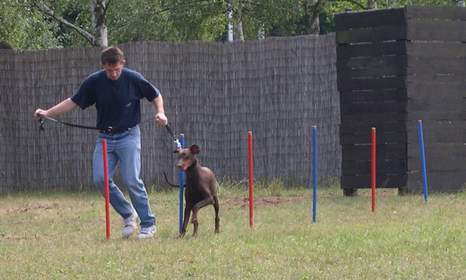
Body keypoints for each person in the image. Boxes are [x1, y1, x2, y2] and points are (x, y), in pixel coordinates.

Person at [34, 46, 168, 239]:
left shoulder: (133, 79)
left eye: (116, 69)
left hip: (129, 136)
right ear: (103, 66)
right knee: (100, 179)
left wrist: (160, 112)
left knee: (131, 179)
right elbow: (73, 101)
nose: (113, 74)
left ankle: (148, 224)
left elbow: (155, 95)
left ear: (123, 64)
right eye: (109, 70)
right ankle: (128, 214)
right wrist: (47, 112)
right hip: (105, 138)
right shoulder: (94, 82)